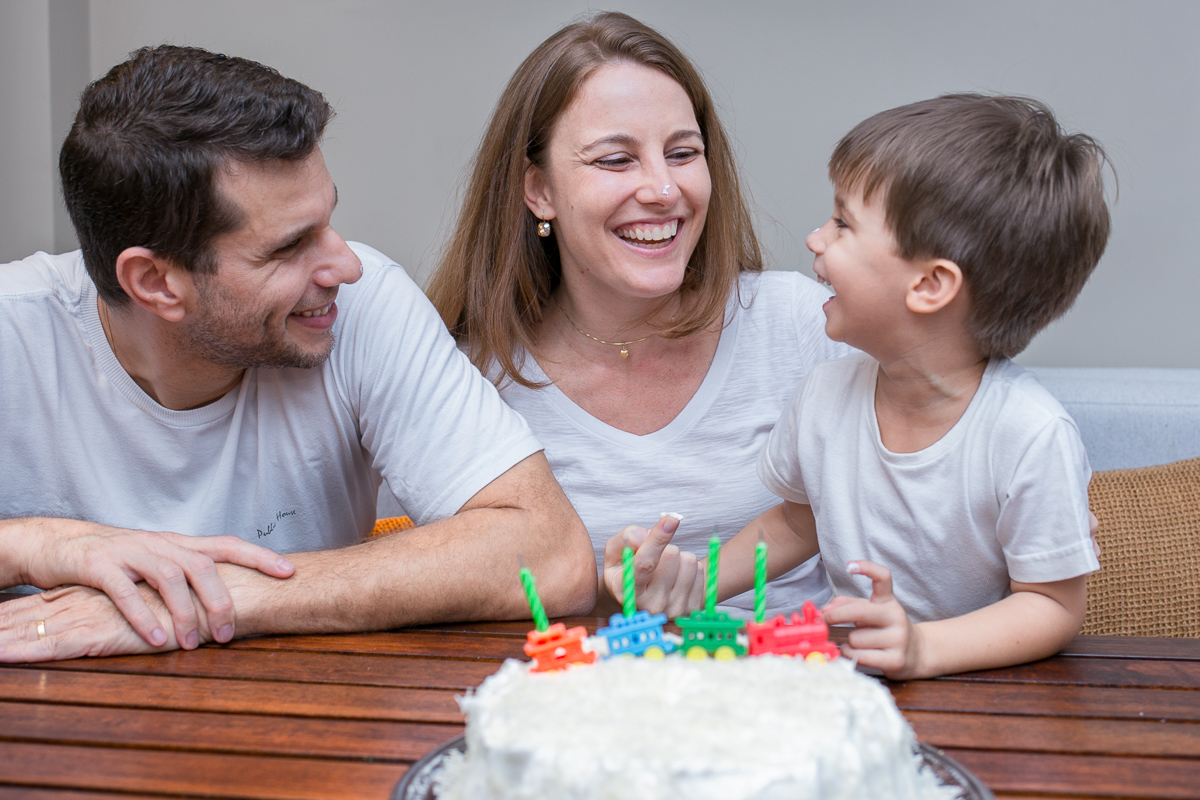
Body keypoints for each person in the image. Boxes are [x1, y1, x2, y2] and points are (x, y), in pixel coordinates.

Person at [0, 45, 596, 663]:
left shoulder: (363, 306)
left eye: (328, 219)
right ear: (155, 283)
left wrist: (215, 597)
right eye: (288, 248)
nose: (346, 264)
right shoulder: (12, 328)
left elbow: (551, 553)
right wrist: (38, 545)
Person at [425, 12, 850, 618]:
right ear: (538, 189)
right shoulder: (467, 379)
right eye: (615, 160)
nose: (662, 188)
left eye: (682, 152)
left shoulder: (806, 323)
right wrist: (602, 593)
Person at [689, 95, 1109, 678]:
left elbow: (1052, 605)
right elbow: (796, 522)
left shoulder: (1031, 434)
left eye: (842, 223)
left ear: (931, 285)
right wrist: (694, 583)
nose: (815, 238)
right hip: (851, 690)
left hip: (989, 704)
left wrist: (921, 649)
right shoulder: (824, 396)